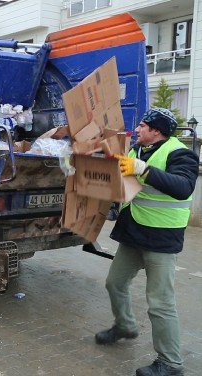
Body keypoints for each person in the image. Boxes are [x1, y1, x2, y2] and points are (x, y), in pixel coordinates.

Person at [95, 108, 198, 376]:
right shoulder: (136, 151)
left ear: (156, 131)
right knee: (114, 283)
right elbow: (127, 182)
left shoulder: (180, 153)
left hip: (161, 238)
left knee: (160, 304)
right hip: (135, 232)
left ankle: (171, 363)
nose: (137, 129)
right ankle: (125, 325)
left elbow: (183, 187)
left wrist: (144, 169)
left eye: (142, 125)